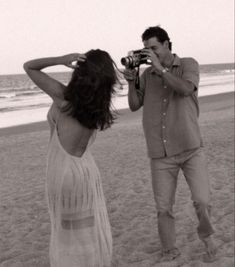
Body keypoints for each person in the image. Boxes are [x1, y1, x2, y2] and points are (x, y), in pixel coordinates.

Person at [123, 26, 217, 262]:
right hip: (160, 152)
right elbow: (135, 105)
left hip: (190, 147)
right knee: (163, 208)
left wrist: (161, 69)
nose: (149, 53)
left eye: (153, 47)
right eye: (146, 49)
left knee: (202, 200)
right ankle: (169, 250)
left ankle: (207, 237)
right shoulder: (146, 76)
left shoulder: (188, 64)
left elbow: (185, 89)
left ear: (167, 45)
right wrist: (132, 81)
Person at [24, 50, 118, 267]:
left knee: (67, 235)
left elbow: (29, 66)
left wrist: (60, 60)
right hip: (85, 170)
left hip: (65, 172)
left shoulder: (64, 98)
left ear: (80, 71)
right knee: (84, 230)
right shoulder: (98, 104)